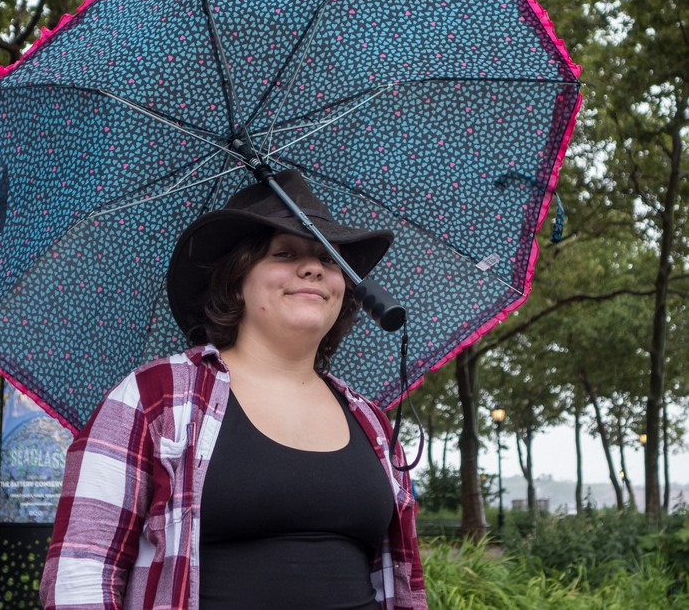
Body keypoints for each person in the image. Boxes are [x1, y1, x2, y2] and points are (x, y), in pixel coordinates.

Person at [40, 170, 427, 609]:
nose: (314, 268)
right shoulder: (154, 396)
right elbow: (81, 574)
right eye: (285, 252)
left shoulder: (372, 421)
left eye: (329, 258)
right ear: (236, 280)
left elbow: (402, 580)